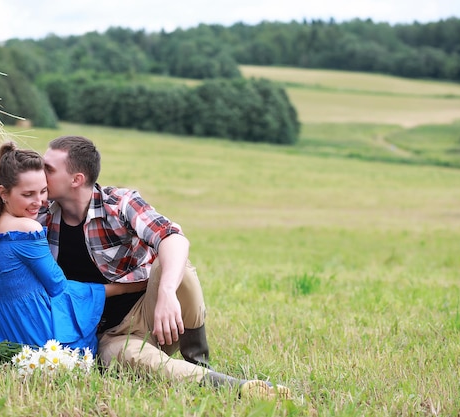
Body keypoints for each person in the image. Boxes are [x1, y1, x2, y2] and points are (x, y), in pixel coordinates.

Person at [40, 135, 291, 400]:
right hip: (107, 335)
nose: (39, 174)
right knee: (136, 361)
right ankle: (238, 388)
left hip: (154, 315)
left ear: (76, 179)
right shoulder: (41, 213)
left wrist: (167, 293)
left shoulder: (120, 203)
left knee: (175, 266)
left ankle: (197, 358)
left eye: (48, 169)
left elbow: (174, 238)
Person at [0, 142, 146, 353]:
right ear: (4, 193)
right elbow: (58, 286)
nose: (39, 201)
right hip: (38, 333)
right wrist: (125, 288)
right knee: (86, 347)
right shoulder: (28, 228)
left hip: (8, 333)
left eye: (43, 191)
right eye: (28, 194)